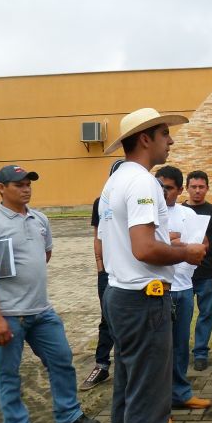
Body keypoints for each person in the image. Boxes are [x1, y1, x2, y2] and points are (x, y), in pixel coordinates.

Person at [98, 108, 205, 423]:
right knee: (148, 403)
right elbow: (144, 249)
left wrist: (171, 247)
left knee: (128, 396)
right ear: (145, 138)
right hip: (143, 300)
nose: (170, 141)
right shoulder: (143, 182)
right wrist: (187, 252)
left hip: (120, 295)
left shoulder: (115, 181)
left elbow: (132, 245)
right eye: (164, 134)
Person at [0, 165, 101, 423]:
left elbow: (45, 255)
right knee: (8, 374)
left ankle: (68, 415)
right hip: (6, 315)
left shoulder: (39, 219)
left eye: (28, 183)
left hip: (41, 311)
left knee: (62, 361)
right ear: (1, 188)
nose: (26, 188)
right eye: (18, 184)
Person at [157, 166, 212, 412]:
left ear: (180, 190)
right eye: (159, 186)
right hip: (158, 289)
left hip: (184, 287)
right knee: (159, 348)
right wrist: (179, 244)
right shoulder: (148, 213)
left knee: (180, 345)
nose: (163, 192)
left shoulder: (188, 214)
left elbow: (202, 246)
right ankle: (159, 407)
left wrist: (174, 243)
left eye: (168, 187)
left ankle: (180, 394)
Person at [80, 159, 124, 391]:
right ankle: (102, 365)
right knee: (107, 319)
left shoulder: (133, 197)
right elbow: (99, 236)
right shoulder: (101, 202)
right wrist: (100, 266)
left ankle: (126, 366)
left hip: (129, 271)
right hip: (107, 272)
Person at [183, 170, 212, 371]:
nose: (197, 191)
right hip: (182, 274)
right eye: (193, 187)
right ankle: (180, 352)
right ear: (186, 188)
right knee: (182, 316)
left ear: (207, 189)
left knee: (206, 314)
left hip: (207, 273)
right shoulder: (179, 210)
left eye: (201, 187)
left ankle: (201, 352)